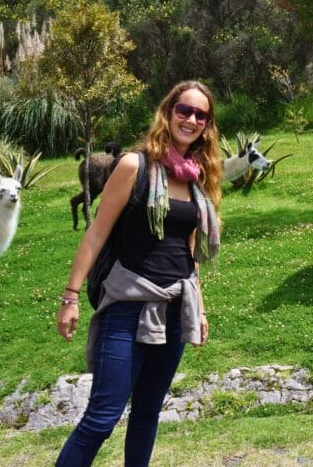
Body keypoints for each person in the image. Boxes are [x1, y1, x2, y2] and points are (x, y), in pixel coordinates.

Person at [56, 81, 223, 466]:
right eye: (185, 110)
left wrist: (198, 308)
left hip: (174, 309)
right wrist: (70, 297)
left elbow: (190, 252)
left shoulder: (196, 176)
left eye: (202, 115)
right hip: (127, 306)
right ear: (168, 112)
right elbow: (96, 234)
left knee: (147, 414)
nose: (192, 119)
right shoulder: (135, 165)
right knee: (102, 418)